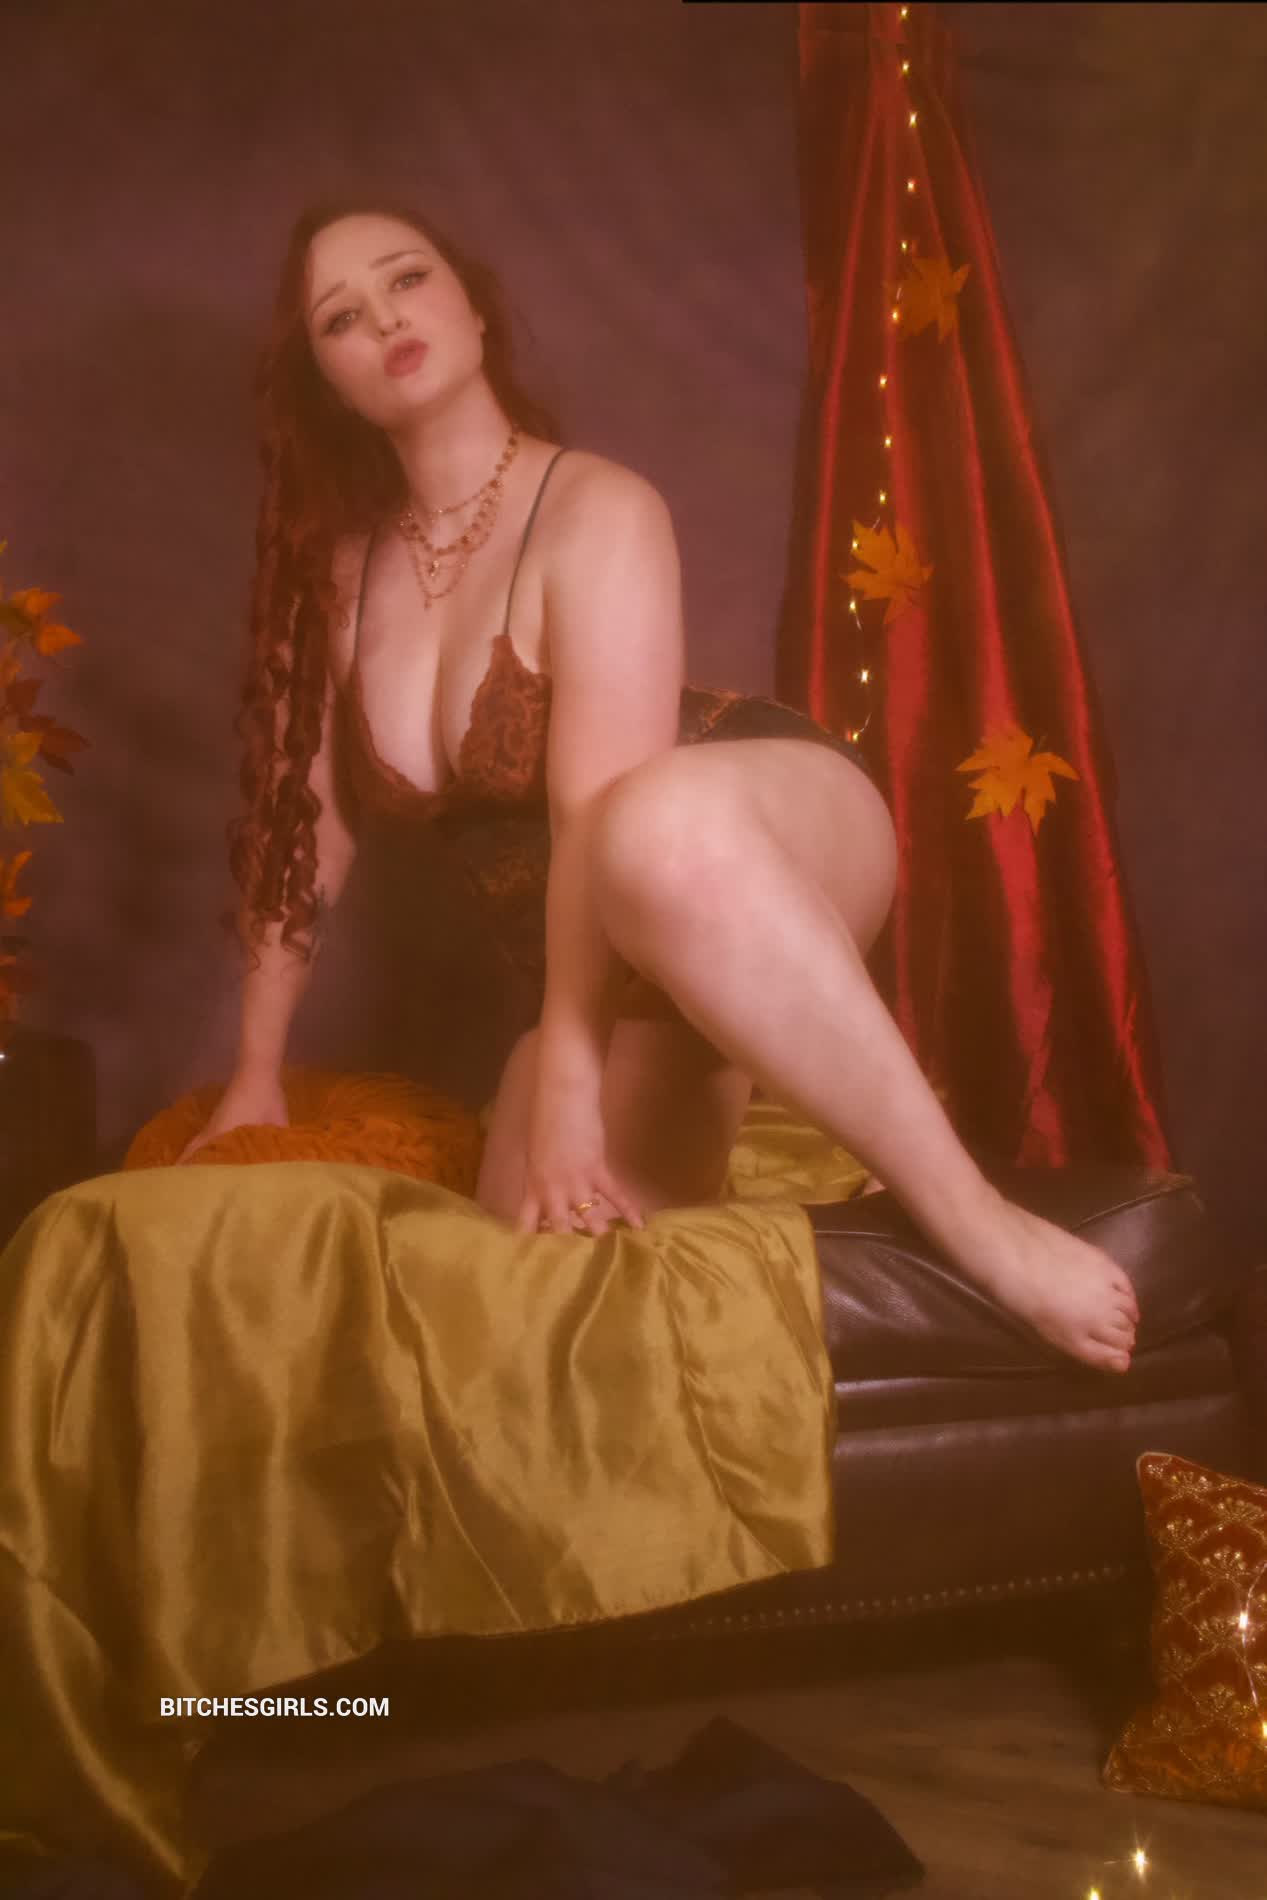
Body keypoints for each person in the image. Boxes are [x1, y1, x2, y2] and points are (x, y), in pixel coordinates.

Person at [178, 196, 1139, 1377]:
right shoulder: (335, 580)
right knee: (527, 1318)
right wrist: (256, 1074)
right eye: (340, 317)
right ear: (325, 382)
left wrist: (569, 1081)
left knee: (646, 825)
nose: (384, 317)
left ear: (473, 308)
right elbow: (304, 836)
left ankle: (982, 1224)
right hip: (610, 960)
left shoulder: (598, 507)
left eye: (407, 278)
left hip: (748, 823)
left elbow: (596, 813)